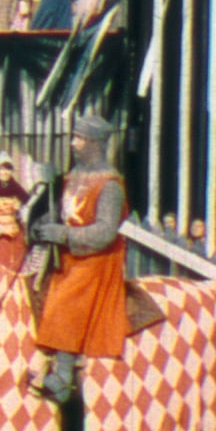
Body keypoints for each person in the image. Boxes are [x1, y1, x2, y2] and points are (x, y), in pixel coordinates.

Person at [32, 114, 130, 404]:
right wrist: (48, 198)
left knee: (67, 299)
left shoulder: (110, 184)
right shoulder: (74, 175)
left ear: (95, 144)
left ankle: (63, 377)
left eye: (79, 138)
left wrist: (63, 234)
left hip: (96, 259)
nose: (73, 143)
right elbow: (64, 212)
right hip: (69, 256)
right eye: (74, 137)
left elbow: (105, 232)